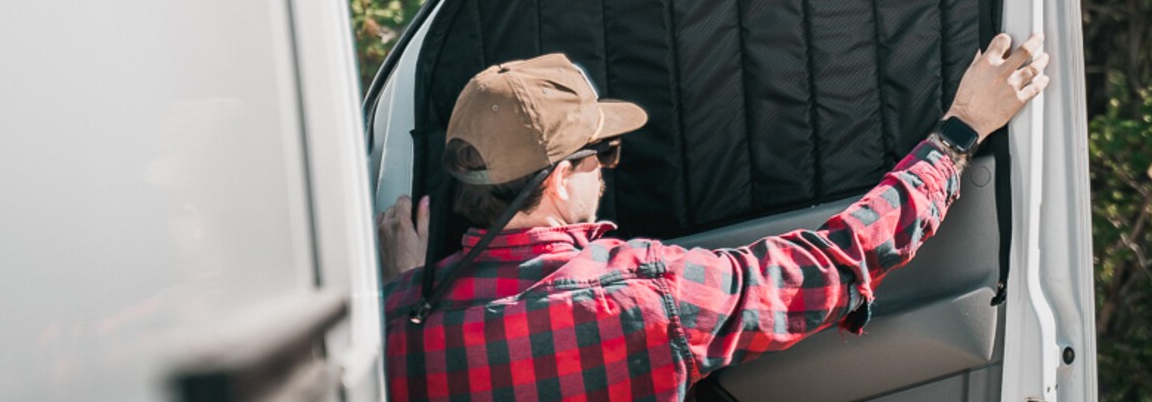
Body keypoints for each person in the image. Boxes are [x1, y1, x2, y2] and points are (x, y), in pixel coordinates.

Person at [377, 36, 1050, 400]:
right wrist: (959, 135)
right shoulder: (646, 299)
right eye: (602, 153)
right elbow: (836, 261)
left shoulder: (390, 329)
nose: (610, 168)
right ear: (557, 180)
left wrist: (406, 283)